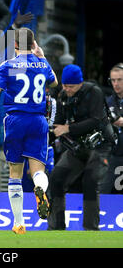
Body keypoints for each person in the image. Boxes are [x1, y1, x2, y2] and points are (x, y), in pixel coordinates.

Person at [0, 27, 58, 234]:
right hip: (38, 120)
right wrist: (42, 56)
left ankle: (19, 223)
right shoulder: (42, 64)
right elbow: (55, 82)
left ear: (14, 44)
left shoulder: (8, 66)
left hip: (15, 119)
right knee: (37, 170)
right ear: (33, 44)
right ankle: (40, 187)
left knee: (15, 172)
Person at [48, 64, 115, 231]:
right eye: (65, 85)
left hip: (100, 145)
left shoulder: (94, 92)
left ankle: (90, 229)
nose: (67, 89)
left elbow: (96, 120)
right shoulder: (63, 96)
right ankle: (56, 228)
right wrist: (52, 131)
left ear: (80, 83)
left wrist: (68, 128)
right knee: (56, 178)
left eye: (71, 86)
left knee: (91, 180)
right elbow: (58, 122)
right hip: (77, 147)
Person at [100, 63, 123, 193]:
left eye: (119, 80)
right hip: (112, 153)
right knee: (103, 190)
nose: (116, 84)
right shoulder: (108, 102)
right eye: (113, 80)